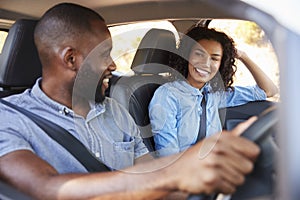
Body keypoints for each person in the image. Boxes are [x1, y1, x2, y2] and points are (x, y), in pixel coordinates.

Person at [0, 3, 260, 199]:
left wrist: (206, 185)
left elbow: (149, 172)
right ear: (71, 60)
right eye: (104, 55)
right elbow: (45, 187)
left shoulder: (114, 110)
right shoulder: (9, 119)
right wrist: (176, 172)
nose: (113, 65)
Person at [149, 26, 278, 157]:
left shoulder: (215, 94)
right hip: (187, 171)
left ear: (221, 64)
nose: (205, 63)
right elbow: (168, 156)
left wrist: (243, 56)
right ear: (187, 55)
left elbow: (269, 90)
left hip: (215, 163)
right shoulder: (167, 95)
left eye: (214, 58)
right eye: (199, 54)